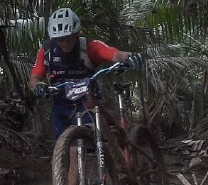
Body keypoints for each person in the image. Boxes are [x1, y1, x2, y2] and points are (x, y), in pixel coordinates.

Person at [29, 7, 144, 138]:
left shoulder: (89, 46)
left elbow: (114, 54)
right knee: (69, 146)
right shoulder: (47, 51)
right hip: (61, 105)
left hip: (87, 101)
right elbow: (35, 78)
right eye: (59, 39)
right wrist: (37, 87)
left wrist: (130, 56)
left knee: (95, 140)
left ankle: (110, 145)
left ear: (76, 33)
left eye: (67, 38)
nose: (64, 43)